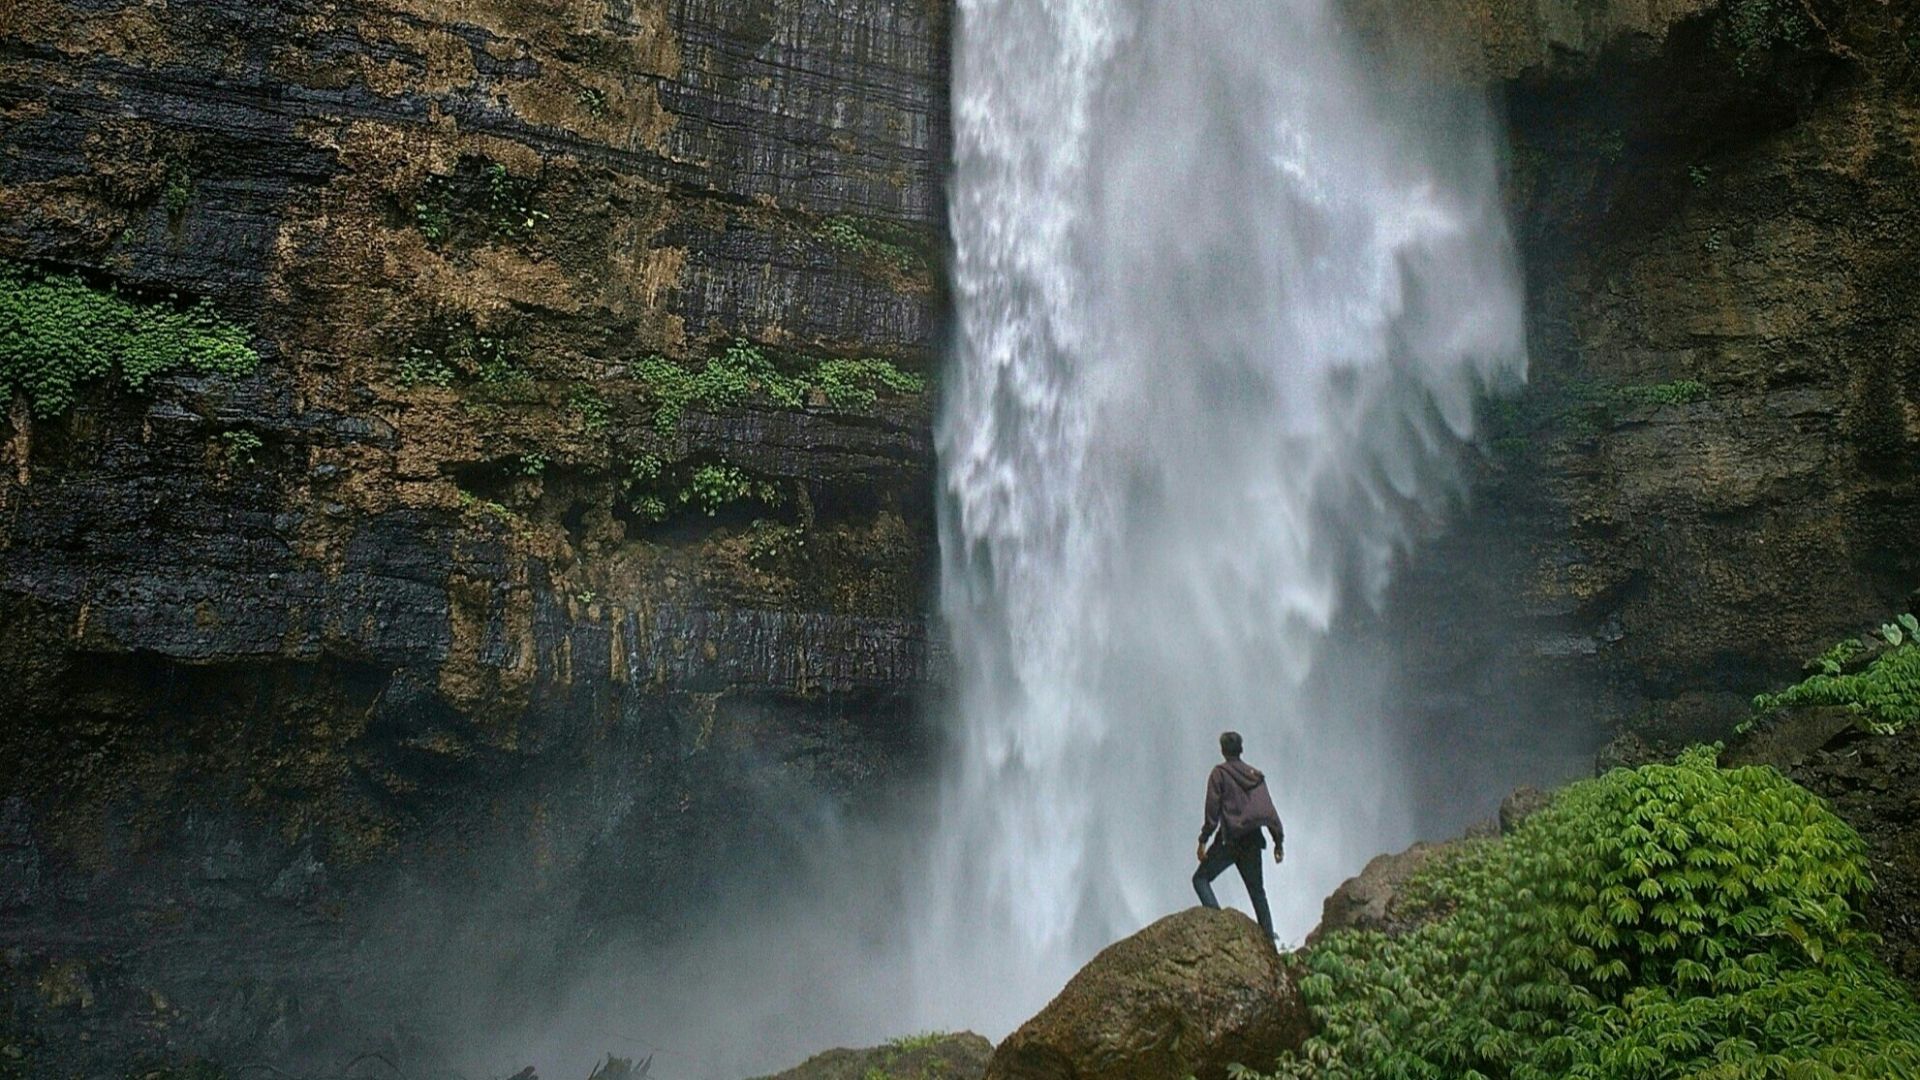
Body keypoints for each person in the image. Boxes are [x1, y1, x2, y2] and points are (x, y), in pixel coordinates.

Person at [1193, 730, 1283, 940]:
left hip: (1230, 840)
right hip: (1253, 839)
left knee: (1200, 879)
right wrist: (1278, 843)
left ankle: (1218, 925)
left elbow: (1212, 811)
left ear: (1223, 750)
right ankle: (1269, 941)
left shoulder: (1220, 774)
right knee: (1257, 892)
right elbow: (1268, 810)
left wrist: (1203, 840)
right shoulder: (1256, 776)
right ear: (1241, 749)